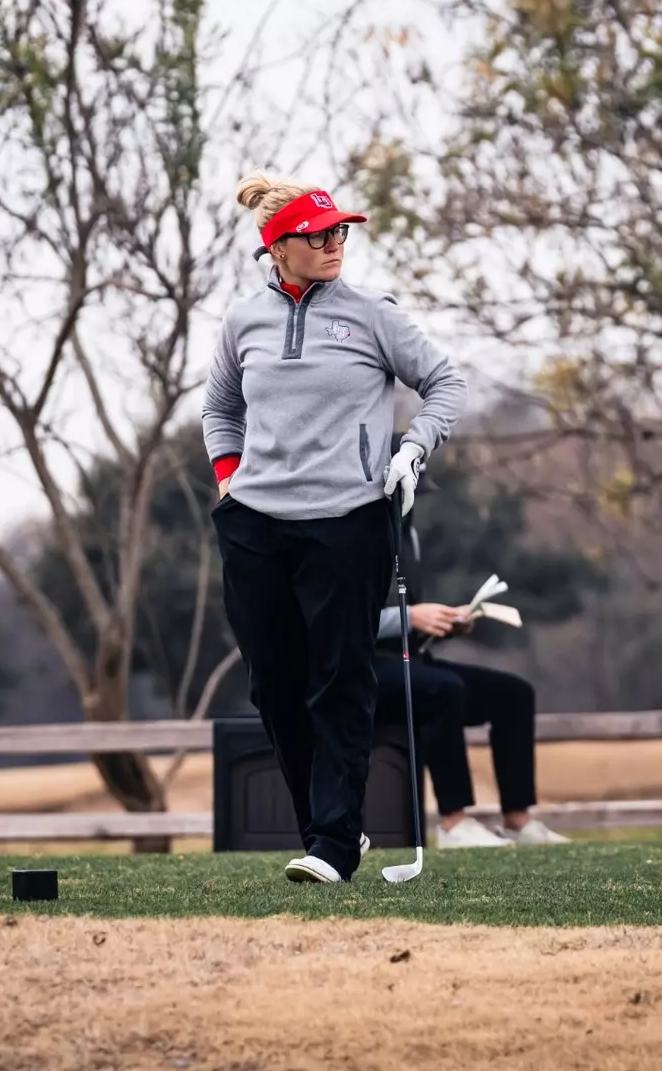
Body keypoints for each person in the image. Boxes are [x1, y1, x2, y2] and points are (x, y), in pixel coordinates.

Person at [203, 170, 468, 883]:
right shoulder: (242, 321)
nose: (333, 244)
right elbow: (220, 409)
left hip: (349, 521)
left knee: (339, 680)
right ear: (277, 248)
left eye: (339, 231)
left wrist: (413, 449)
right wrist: (229, 480)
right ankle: (327, 831)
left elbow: (444, 383)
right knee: (273, 686)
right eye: (316, 235)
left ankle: (333, 840)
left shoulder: (372, 314)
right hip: (255, 524)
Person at [372, 445, 569, 848]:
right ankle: (454, 823)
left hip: (408, 659)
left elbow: (407, 620)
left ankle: (517, 820)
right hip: (358, 670)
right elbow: (337, 624)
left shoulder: (408, 535)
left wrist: (442, 624)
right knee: (443, 691)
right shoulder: (355, 537)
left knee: (513, 694)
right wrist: (409, 618)